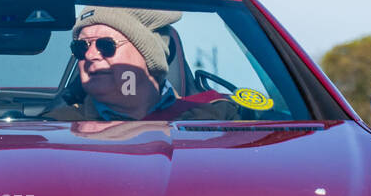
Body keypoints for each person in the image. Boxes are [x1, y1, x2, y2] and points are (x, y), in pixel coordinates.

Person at [47, 7, 237, 121]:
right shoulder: (58, 126)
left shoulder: (218, 117)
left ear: (149, 54)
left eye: (106, 45)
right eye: (81, 46)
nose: (90, 55)